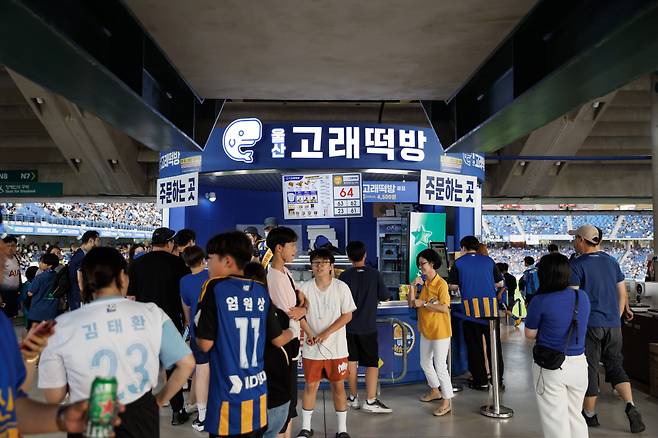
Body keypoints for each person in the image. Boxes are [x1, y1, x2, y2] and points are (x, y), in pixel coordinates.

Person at [38, 246, 195, 437]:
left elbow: (54, 395)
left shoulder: (61, 326)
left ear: (85, 282)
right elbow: (186, 363)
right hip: (140, 413)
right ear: (122, 276)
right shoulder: (152, 313)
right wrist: (159, 400)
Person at [568, 224, 645, 433]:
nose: (574, 241)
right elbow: (623, 294)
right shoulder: (612, 262)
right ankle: (631, 406)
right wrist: (615, 318)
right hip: (613, 325)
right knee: (615, 366)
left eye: (575, 238)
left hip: (590, 324)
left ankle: (590, 415)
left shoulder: (577, 265)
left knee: (591, 368)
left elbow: (573, 298)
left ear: (583, 240)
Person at [196, 231, 273, 438]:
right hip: (257, 393)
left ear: (227, 260)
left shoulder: (214, 287)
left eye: (209, 259)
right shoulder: (260, 290)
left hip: (228, 396)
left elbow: (205, 344)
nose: (207, 265)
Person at [129, 227, 191, 425]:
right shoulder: (179, 263)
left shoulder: (137, 264)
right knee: (173, 365)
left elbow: (131, 297)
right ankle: (177, 411)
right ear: (170, 243)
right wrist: (187, 320)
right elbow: (184, 296)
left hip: (144, 321)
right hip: (170, 320)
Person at [525, 253, 591, 438]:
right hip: (579, 364)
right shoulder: (582, 297)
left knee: (555, 421)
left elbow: (530, 333)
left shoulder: (541, 300)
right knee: (575, 416)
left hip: (550, 366)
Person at [297, 249, 356, 438]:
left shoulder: (341, 287)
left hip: (337, 349)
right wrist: (310, 333)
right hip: (311, 349)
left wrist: (325, 333)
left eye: (324, 262)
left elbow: (347, 315)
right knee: (310, 386)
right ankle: (306, 428)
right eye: (316, 262)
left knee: (338, 387)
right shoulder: (304, 288)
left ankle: (342, 430)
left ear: (331, 266)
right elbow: (299, 314)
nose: (320, 265)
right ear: (311, 266)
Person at [244, 262, 299, 438]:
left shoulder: (232, 317)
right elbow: (288, 349)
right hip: (278, 398)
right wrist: (293, 330)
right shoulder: (280, 316)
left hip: (246, 399)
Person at [339, 241, 392, 413]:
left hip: (348, 327)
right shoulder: (374, 274)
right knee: (371, 364)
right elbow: (385, 296)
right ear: (365, 254)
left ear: (348, 257)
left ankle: (353, 398)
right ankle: (370, 400)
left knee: (351, 362)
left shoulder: (344, 276)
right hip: (368, 327)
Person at [448, 235, 505, 391]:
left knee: (475, 347)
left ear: (463, 248)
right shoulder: (489, 261)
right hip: (491, 309)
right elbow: (499, 283)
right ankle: (497, 379)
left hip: (470, 310)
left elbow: (452, 286)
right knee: (494, 346)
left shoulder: (458, 263)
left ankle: (480, 381)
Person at [265, 227, 306, 437]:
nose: (295, 250)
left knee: (289, 403)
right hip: (284, 348)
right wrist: (303, 309)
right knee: (284, 403)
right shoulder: (275, 278)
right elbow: (293, 313)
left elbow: (299, 300)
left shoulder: (285, 272)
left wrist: (303, 307)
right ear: (279, 248)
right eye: (291, 245)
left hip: (291, 346)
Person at [410, 248, 454, 417]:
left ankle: (447, 400)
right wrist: (413, 287)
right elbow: (413, 304)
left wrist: (426, 304)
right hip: (426, 329)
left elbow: (444, 307)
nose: (420, 267)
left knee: (440, 366)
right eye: (419, 264)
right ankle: (435, 390)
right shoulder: (424, 283)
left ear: (432, 264)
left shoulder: (441, 284)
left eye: (423, 263)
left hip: (441, 331)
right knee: (425, 363)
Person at [180, 245, 210, 432]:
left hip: (197, 333)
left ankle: (203, 416)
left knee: (200, 374)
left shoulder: (184, 281)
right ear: (203, 260)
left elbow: (186, 309)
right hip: (217, 333)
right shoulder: (212, 277)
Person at [68, 230, 101, 310]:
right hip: (79, 297)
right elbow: (80, 279)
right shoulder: (81, 256)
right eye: (98, 241)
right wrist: (85, 296)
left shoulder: (81, 253)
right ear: (91, 241)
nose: (99, 244)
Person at [25, 253, 61, 328]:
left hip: (37, 313)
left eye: (42, 262)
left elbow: (30, 293)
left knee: (34, 336)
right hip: (52, 312)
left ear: (49, 265)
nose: (40, 263)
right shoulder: (57, 276)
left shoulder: (39, 278)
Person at [1, 235, 22, 318]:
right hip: (4, 293)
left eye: (13, 246)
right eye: (7, 246)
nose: (10, 248)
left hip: (14, 292)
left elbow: (17, 273)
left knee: (12, 315)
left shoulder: (15, 257)